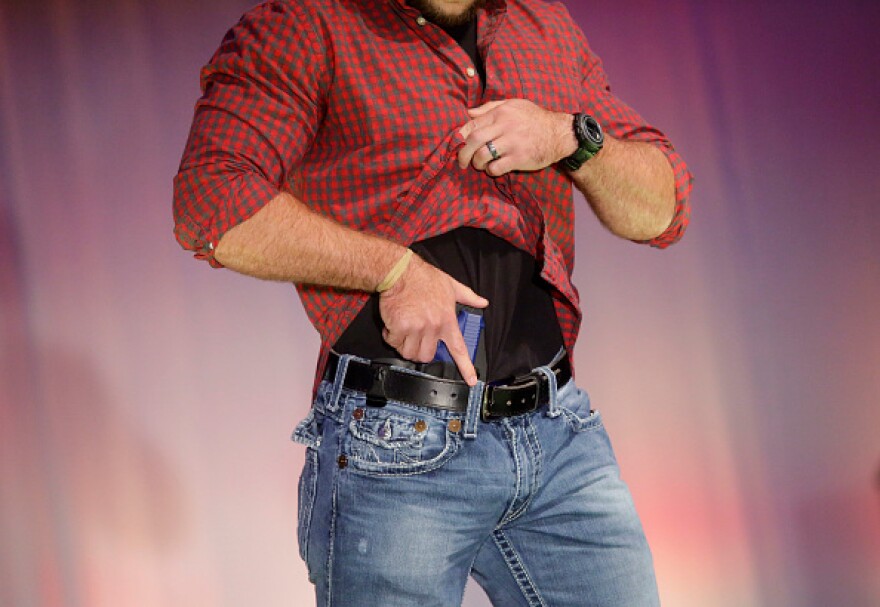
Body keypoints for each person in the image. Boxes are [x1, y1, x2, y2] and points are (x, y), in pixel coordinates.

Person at [173, 0, 692, 604]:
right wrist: (392, 270)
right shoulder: (308, 20)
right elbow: (211, 199)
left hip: (557, 435)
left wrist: (568, 137)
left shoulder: (542, 23)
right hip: (396, 440)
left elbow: (663, 209)